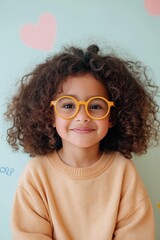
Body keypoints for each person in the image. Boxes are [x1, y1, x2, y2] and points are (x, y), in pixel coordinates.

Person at [5, 44, 160, 240]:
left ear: (112, 116)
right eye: (68, 105)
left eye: (95, 106)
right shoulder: (37, 173)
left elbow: (137, 234)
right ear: (49, 115)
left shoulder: (123, 171)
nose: (82, 116)